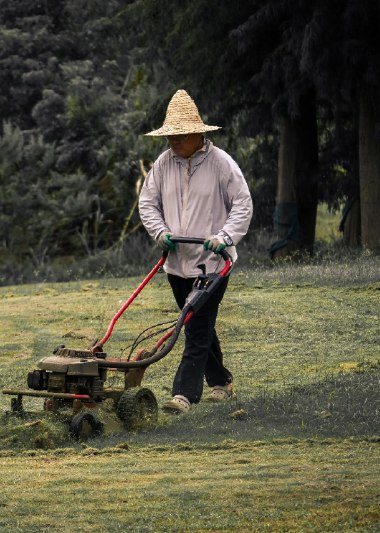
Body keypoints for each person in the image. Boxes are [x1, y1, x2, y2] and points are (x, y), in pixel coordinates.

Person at [138, 89, 253, 414]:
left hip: (213, 263)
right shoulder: (163, 164)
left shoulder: (221, 164)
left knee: (196, 328)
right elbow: (147, 203)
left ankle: (183, 395)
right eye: (170, 135)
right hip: (176, 264)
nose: (173, 141)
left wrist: (225, 237)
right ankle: (222, 381)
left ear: (198, 134)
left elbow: (243, 204)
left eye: (180, 135)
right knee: (197, 322)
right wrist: (160, 232)